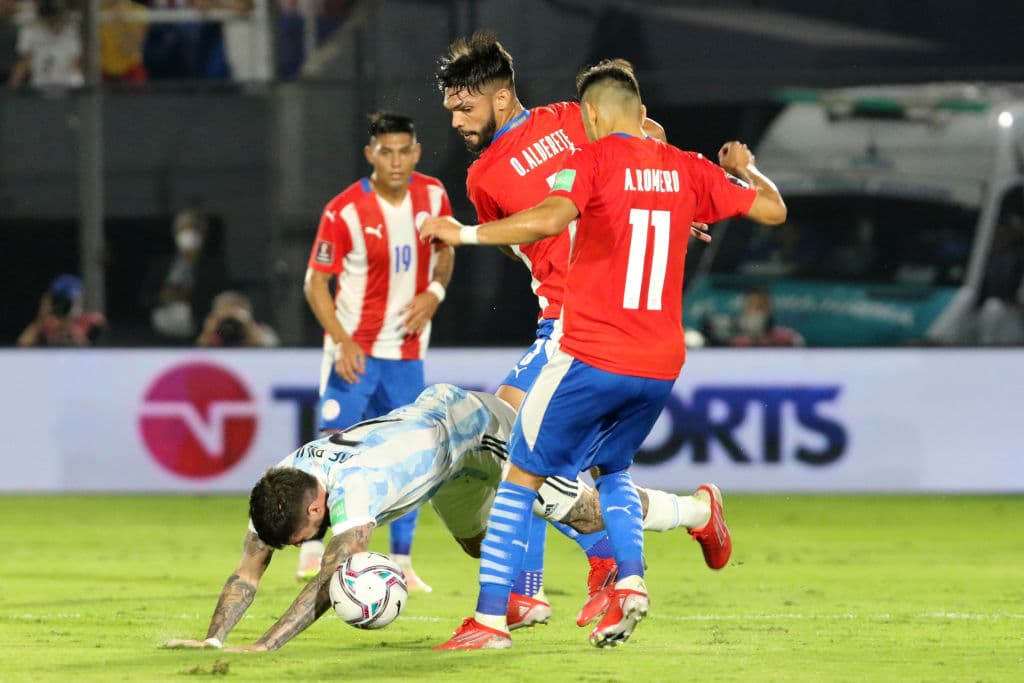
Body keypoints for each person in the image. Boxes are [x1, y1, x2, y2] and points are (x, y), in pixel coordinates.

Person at [423, 58, 786, 649]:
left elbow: (645, 143)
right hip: (571, 320)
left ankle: (528, 593)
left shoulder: (572, 122)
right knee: (563, 466)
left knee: (515, 450)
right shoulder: (482, 176)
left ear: (502, 94)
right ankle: (678, 524)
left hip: (589, 327)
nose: (457, 121)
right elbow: (528, 243)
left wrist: (660, 208)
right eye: (451, 111)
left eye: (465, 107)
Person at [162, 383, 715, 652]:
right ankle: (526, 592)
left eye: (304, 535)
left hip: (475, 429)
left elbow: (330, 582)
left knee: (588, 513)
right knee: (480, 545)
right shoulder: (281, 484)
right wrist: (214, 640)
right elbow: (248, 569)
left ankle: (695, 509)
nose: (298, 544)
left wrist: (265, 645)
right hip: (438, 460)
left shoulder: (358, 491)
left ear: (317, 507)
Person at [299, 111, 455, 590]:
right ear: (370, 154)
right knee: (332, 448)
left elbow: (446, 248)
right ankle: (310, 547)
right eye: (384, 151)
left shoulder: (433, 196)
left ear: (416, 152)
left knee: (411, 455)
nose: (394, 160)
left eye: (403, 150)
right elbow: (314, 285)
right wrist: (341, 341)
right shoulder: (344, 210)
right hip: (357, 353)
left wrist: (435, 292)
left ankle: (402, 563)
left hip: (406, 354)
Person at [145, 208, 223, 341]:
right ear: (175, 233)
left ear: (203, 234)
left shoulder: (214, 267)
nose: (190, 234)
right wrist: (162, 297)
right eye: (184, 229)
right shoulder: (161, 265)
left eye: (195, 230)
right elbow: (145, 297)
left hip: (198, 331)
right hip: (160, 333)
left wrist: (191, 295)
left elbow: (220, 299)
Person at [7, 0, 83, 89]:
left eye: (56, 18)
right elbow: (24, 62)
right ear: (42, 18)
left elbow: (75, 62)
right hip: (39, 87)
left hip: (67, 86)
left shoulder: (71, 31)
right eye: (50, 20)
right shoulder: (30, 31)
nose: (53, 23)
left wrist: (75, 80)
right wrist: (12, 87)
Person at [17, 274, 106, 347]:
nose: (72, 306)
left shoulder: (91, 320)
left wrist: (73, 331)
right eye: (65, 301)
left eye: (76, 301)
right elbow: (22, 343)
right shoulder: (48, 322)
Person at [196, 290, 279, 347]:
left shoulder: (262, 331)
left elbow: (274, 355)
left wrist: (249, 327)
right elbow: (196, 358)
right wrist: (207, 333)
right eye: (226, 320)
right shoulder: (212, 335)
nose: (230, 326)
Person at [729, 288, 805, 347]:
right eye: (752, 305)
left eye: (761, 306)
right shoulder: (737, 343)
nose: (757, 311)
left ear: (770, 309)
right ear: (745, 310)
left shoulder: (789, 339)